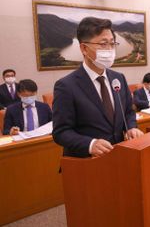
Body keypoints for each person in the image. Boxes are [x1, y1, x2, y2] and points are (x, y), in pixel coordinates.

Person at [52, 17, 143, 158]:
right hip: (86, 165)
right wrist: (90, 144)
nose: (109, 49)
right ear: (84, 48)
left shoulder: (119, 78)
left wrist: (131, 127)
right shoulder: (66, 86)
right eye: (103, 44)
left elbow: (128, 112)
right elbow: (61, 132)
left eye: (112, 44)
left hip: (118, 156)